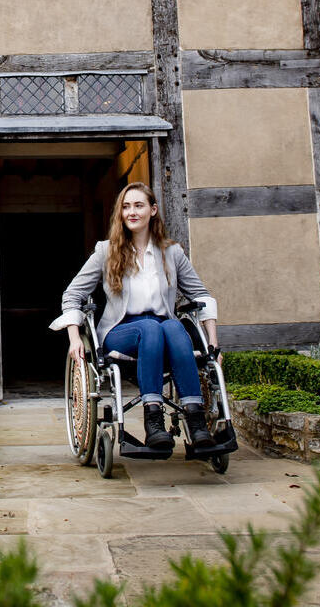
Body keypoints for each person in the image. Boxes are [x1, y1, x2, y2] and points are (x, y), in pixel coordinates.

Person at [50, 181, 220, 451]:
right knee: (150, 328)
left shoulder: (172, 253)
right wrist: (74, 338)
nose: (132, 212)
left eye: (139, 206)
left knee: (174, 327)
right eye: (126, 206)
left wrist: (212, 343)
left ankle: (196, 421)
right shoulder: (106, 251)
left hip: (165, 330)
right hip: (122, 331)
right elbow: (73, 294)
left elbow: (201, 295)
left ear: (152, 210)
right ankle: (154, 421)